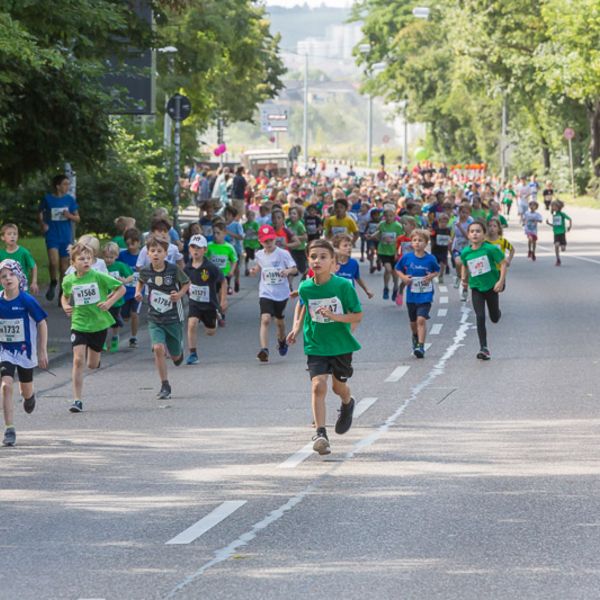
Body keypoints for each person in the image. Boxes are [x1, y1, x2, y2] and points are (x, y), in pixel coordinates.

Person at [287, 239, 362, 456]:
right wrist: (296, 328)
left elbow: (357, 314)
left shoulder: (343, 286)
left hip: (340, 345)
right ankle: (321, 433)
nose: (317, 260)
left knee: (339, 388)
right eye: (313, 257)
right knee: (318, 386)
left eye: (323, 257)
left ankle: (348, 403)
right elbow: (303, 306)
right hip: (316, 344)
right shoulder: (306, 286)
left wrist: (336, 317)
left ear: (333, 262)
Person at [61, 243, 125, 412]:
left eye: (88, 258)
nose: (86, 261)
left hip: (98, 324)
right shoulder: (69, 280)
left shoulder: (98, 276)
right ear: (73, 263)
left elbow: (121, 288)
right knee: (77, 360)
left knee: (92, 364)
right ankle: (77, 400)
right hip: (79, 323)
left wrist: (109, 302)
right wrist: (65, 305)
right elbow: (65, 296)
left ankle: (95, 358)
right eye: (81, 259)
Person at [135, 235, 190, 399]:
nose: (156, 254)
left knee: (175, 357)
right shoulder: (145, 270)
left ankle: (178, 353)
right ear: (148, 254)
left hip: (173, 316)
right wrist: (138, 292)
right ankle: (165, 385)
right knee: (158, 348)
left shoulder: (173, 269)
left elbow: (186, 283)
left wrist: (179, 294)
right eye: (152, 251)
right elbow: (141, 281)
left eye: (160, 251)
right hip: (155, 317)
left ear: (166, 253)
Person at [0, 260, 48, 447]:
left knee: (25, 389)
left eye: (11, 274)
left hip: (25, 352)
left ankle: (30, 397)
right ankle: (9, 428)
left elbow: (42, 323)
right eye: (3, 276)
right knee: (6, 385)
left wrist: (42, 350)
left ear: (19, 277)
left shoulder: (27, 300)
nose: (8, 278)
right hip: (4, 350)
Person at [457, 221, 506, 360]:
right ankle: (483, 348)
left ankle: (497, 313)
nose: (475, 234)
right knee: (480, 316)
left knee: (494, 318)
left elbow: (503, 264)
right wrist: (464, 279)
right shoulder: (466, 252)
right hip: (476, 287)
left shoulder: (490, 249)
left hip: (491, 286)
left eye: (478, 231)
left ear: (484, 234)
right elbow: (464, 265)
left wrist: (500, 281)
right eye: (472, 231)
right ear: (468, 235)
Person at [250, 225, 297, 363]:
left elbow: (294, 269)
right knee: (265, 319)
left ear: (275, 238)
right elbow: (260, 266)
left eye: (270, 240)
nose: (268, 243)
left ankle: (282, 341)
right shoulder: (259, 254)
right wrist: (254, 270)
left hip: (281, 293)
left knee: (280, 323)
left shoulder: (283, 254)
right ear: (260, 241)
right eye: (265, 241)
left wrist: (288, 271)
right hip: (266, 292)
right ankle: (264, 349)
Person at [395, 229, 440, 359]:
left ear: (426, 243)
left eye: (420, 240)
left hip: (425, 294)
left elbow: (437, 270)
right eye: (414, 240)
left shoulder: (430, 259)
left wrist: (431, 276)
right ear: (411, 243)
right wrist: (404, 278)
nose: (417, 243)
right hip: (412, 295)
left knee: (421, 319)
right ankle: (415, 336)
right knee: (413, 322)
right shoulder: (407, 257)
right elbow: (397, 269)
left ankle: (421, 346)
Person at [184, 235, 226, 365]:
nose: (195, 250)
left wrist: (223, 300)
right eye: (193, 247)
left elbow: (223, 281)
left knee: (210, 332)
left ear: (205, 250)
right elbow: (183, 283)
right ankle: (193, 354)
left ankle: (216, 316)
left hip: (209, 304)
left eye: (199, 248)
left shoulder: (211, 267)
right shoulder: (187, 268)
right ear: (189, 249)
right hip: (194, 303)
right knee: (191, 324)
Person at [39, 174, 80, 301]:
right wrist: (43, 224)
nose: (67, 186)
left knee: (64, 267)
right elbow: (40, 213)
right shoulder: (47, 199)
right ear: (58, 186)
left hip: (66, 236)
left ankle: (63, 291)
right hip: (52, 234)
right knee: (53, 262)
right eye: (65, 184)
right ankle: (53, 282)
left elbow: (78, 218)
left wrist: (69, 215)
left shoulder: (70, 200)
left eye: (68, 184)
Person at [103, 242, 134, 352]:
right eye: (106, 257)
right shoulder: (101, 266)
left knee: (114, 320)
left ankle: (115, 337)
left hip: (116, 299)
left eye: (111, 257)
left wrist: (125, 280)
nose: (108, 260)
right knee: (103, 320)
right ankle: (103, 340)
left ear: (116, 256)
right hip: (104, 298)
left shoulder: (120, 266)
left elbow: (131, 275)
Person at [206, 221, 238, 324]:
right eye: (214, 233)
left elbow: (234, 260)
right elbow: (204, 260)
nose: (215, 235)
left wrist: (232, 271)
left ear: (224, 233)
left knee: (221, 295)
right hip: (211, 276)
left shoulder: (229, 247)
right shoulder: (209, 246)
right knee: (212, 296)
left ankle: (222, 313)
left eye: (218, 233)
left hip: (224, 275)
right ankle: (215, 313)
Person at [118, 228, 142, 347]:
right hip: (124, 291)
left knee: (134, 314)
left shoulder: (143, 255)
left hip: (137, 291)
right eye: (128, 244)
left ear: (139, 242)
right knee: (125, 317)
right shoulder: (122, 256)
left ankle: (133, 337)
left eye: (133, 244)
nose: (130, 247)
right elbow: (114, 267)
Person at [374, 205, 404, 301]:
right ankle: (386, 287)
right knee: (388, 269)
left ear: (394, 216)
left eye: (391, 216)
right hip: (383, 251)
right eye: (387, 216)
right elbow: (378, 234)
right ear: (384, 216)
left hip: (394, 252)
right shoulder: (381, 225)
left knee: (394, 272)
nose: (389, 218)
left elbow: (400, 240)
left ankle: (395, 287)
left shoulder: (398, 226)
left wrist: (397, 252)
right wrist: (373, 237)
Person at [332, 233, 374, 299]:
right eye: (345, 246)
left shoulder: (353, 263)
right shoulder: (331, 263)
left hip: (350, 297)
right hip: (335, 298)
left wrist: (367, 290)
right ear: (337, 248)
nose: (349, 248)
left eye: (350, 245)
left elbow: (357, 278)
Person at [0, 224, 38, 294]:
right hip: (4, 289)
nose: (12, 236)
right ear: (2, 237)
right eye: (9, 234)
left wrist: (34, 282)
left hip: (21, 288)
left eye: (15, 234)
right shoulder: (1, 253)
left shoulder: (24, 252)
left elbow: (34, 266)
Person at [451, 203, 473, 301]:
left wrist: (460, 227)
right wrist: (450, 241)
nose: (464, 214)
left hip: (467, 246)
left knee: (466, 270)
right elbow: (453, 233)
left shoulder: (470, 222)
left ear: (469, 213)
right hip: (457, 246)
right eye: (462, 212)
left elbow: (468, 236)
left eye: (466, 212)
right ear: (459, 212)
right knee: (458, 262)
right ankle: (458, 276)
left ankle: (465, 288)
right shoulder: (455, 220)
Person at [286, 207, 309, 286]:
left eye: (294, 213)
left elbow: (305, 237)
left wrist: (295, 237)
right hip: (292, 249)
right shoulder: (289, 225)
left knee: (303, 269)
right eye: (290, 214)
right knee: (292, 267)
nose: (292, 215)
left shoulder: (300, 225)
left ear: (299, 216)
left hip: (300, 250)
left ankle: (305, 280)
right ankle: (289, 284)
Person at [547, 200, 572, 266]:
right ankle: (558, 259)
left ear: (559, 207)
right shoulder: (554, 214)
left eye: (555, 206)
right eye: (552, 206)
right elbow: (555, 225)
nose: (553, 207)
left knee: (563, 249)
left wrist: (569, 227)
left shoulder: (562, 214)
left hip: (562, 233)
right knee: (556, 245)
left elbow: (570, 219)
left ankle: (563, 245)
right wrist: (549, 223)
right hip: (556, 233)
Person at [430, 213, 451, 284]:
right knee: (434, 263)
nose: (443, 224)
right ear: (439, 221)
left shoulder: (448, 230)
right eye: (442, 222)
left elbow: (449, 238)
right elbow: (431, 237)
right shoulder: (436, 230)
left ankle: (441, 276)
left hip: (443, 250)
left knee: (443, 263)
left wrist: (449, 244)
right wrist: (433, 243)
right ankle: (432, 275)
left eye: (445, 222)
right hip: (435, 249)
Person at [242, 210, 260, 276]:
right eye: (249, 216)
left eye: (252, 216)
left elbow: (258, 232)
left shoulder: (255, 224)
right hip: (247, 242)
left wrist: (253, 231)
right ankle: (246, 269)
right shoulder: (244, 225)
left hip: (254, 243)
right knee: (247, 254)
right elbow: (242, 232)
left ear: (254, 217)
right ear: (247, 216)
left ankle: (254, 268)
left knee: (252, 257)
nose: (250, 217)